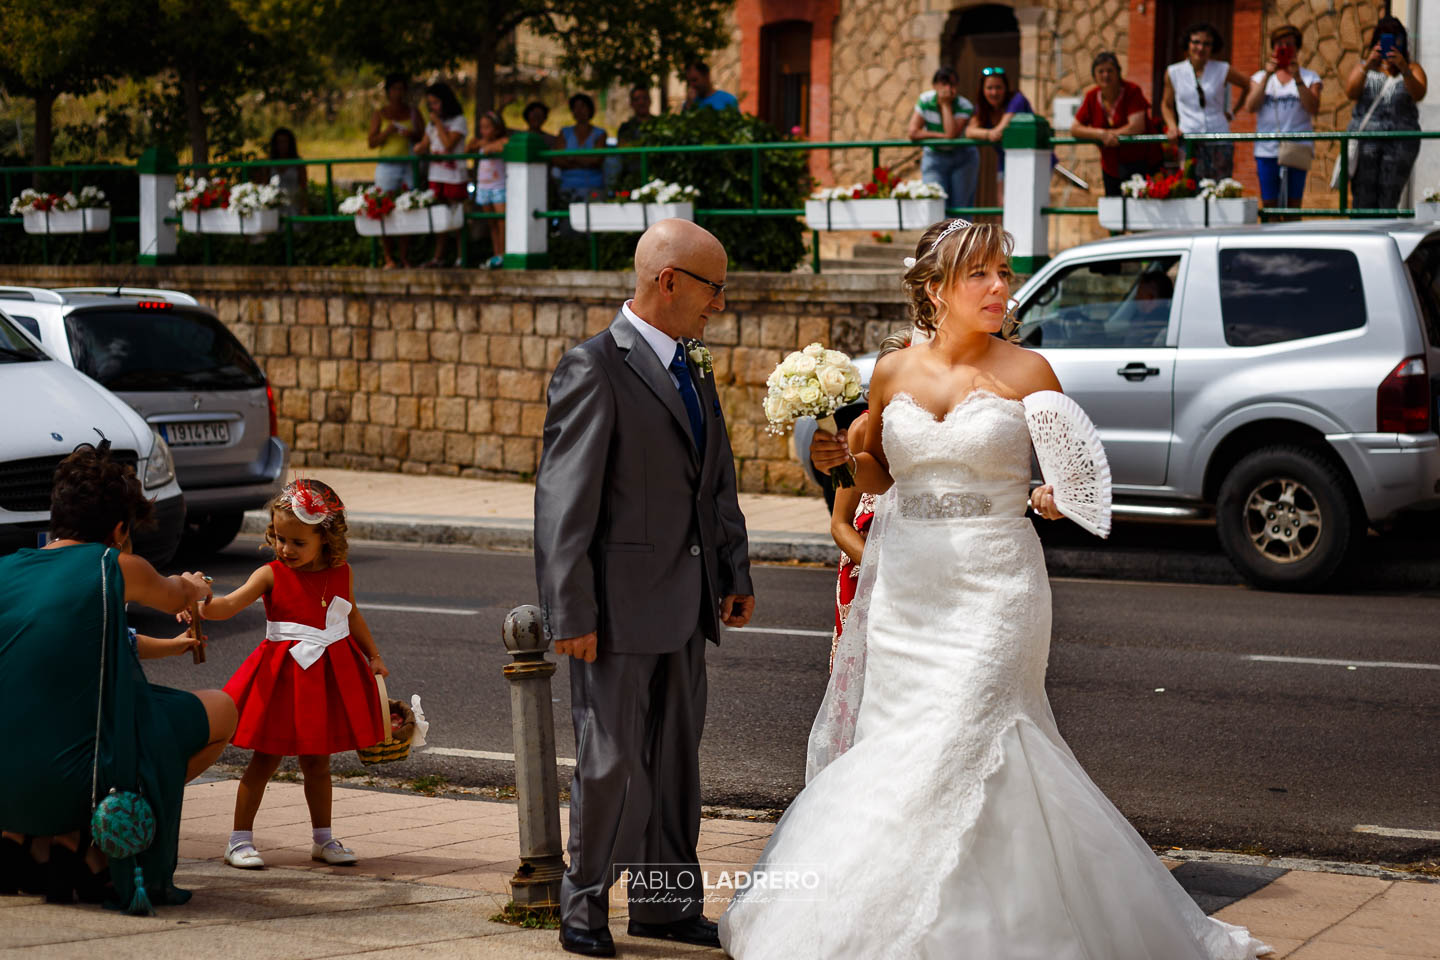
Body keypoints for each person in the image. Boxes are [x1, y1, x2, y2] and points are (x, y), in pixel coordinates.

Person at [718, 218, 1273, 960]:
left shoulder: (1030, 372)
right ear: (936, 289)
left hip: (998, 588)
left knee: (967, 735)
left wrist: (1050, 498)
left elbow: (1064, 477)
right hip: (909, 589)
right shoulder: (890, 372)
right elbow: (880, 478)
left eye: (1004, 273)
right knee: (898, 748)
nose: (999, 288)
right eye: (980, 274)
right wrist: (841, 458)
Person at [534, 218, 754, 957]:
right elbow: (565, 506)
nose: (719, 304)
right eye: (713, 287)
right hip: (615, 610)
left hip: (688, 602)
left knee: (675, 765)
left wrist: (732, 569)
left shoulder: (695, 365)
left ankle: (662, 908)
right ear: (669, 281)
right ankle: (583, 909)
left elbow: (716, 478)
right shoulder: (592, 366)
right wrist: (572, 611)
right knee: (609, 763)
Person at [0, 443, 234, 909]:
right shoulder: (116, 564)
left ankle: (32, 839)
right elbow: (176, 596)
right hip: (75, 779)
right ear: (120, 528)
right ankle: (101, 829)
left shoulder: (6, 568)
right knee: (222, 709)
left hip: (8, 781)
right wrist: (197, 586)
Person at [194, 479, 387, 871]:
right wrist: (200, 602)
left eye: (298, 542)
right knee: (264, 760)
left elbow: (349, 613)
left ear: (326, 539)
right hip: (281, 678)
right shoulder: (270, 573)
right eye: (280, 538)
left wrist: (373, 655)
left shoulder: (341, 573)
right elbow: (228, 605)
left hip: (323, 678)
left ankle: (322, 838)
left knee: (318, 763)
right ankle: (239, 840)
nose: (286, 549)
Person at [1343, 17, 1428, 211]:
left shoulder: (1412, 68)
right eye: (1382, 39)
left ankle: (1384, 234)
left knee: (1388, 198)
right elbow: (1351, 92)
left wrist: (1404, 69)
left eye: (1393, 39)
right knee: (1363, 198)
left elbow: (1419, 94)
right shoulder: (1364, 67)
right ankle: (1362, 237)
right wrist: (1367, 66)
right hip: (1366, 143)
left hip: (1399, 145)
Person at [1244, 25, 1322, 209]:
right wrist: (1268, 76)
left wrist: (1297, 79)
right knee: (1269, 204)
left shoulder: (1310, 77)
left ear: (1297, 48)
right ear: (1273, 48)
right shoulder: (1260, 77)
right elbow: (1250, 106)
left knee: (1293, 204)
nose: (1284, 48)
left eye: (1289, 45)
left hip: (1297, 147)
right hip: (1267, 149)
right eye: (1279, 45)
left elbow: (1313, 108)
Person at [1162, 22, 1251, 180]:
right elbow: (1166, 105)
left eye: (1206, 44)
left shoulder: (1222, 69)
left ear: (1213, 47)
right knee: (1190, 187)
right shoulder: (1174, 72)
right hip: (1189, 139)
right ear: (1188, 44)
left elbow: (1247, 85)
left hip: (1219, 137)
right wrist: (1172, 127)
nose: (1201, 48)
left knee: (1219, 190)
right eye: (1196, 42)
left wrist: (1232, 112)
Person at [1071, 52, 1159, 196]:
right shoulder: (1092, 97)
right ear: (1094, 76)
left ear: (1118, 73)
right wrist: (1100, 134)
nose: (1105, 75)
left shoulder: (1132, 91)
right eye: (1101, 71)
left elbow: (1137, 126)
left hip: (1140, 162)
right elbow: (1075, 128)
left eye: (1110, 70)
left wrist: (1112, 135)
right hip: (1110, 167)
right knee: (1114, 210)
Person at [368, 73, 423, 269]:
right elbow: (371, 142)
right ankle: (388, 257)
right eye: (394, 89)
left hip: (408, 164)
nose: (398, 93)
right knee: (382, 206)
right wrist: (387, 132)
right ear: (388, 92)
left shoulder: (414, 113)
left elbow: (423, 138)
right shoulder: (380, 114)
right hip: (387, 165)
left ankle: (404, 255)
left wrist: (411, 134)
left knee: (409, 206)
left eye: (401, 89)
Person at [414, 81, 469, 268]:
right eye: (430, 104)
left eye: (436, 103)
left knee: (457, 216)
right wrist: (419, 147)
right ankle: (439, 257)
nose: (433, 108)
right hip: (436, 176)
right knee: (440, 216)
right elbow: (423, 145)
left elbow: (448, 145)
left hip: (454, 176)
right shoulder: (431, 125)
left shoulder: (458, 121)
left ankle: (462, 256)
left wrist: (437, 124)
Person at [908, 67, 978, 209]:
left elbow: (951, 134)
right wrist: (940, 136)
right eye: (943, 83)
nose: (947, 88)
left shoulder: (964, 105)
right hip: (934, 157)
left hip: (962, 158)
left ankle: (962, 232)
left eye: (951, 84)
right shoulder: (925, 100)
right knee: (935, 204)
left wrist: (945, 105)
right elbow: (913, 132)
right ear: (934, 85)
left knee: (960, 209)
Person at [965, 66, 1034, 182]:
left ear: (1006, 88)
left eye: (998, 87)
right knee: (1001, 200)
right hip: (1005, 159)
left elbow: (1000, 131)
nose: (994, 92)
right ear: (982, 90)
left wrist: (988, 133)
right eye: (989, 88)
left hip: (1030, 159)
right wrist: (988, 134)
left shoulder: (1017, 100)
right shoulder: (982, 108)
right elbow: (969, 131)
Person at [466, 110, 509, 269]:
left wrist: (487, 146)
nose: (484, 131)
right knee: (491, 222)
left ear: (497, 129)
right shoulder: (479, 142)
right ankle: (497, 253)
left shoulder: (502, 141)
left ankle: (504, 254)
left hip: (498, 186)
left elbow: (501, 145)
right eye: (481, 127)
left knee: (501, 220)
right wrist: (475, 145)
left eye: (488, 127)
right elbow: (466, 150)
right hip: (484, 186)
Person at [555, 93, 608, 203]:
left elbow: (596, 160)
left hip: (594, 185)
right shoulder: (565, 132)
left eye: (583, 106)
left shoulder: (600, 133)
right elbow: (557, 159)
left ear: (590, 109)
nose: (579, 110)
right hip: (568, 185)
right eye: (575, 107)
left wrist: (571, 158)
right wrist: (585, 159)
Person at [262, 127, 308, 220]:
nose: (282, 145)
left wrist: (304, 207)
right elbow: (264, 185)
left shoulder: (298, 163)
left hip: (293, 206)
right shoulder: (269, 164)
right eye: (279, 142)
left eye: (285, 142)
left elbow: (303, 186)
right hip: (274, 207)